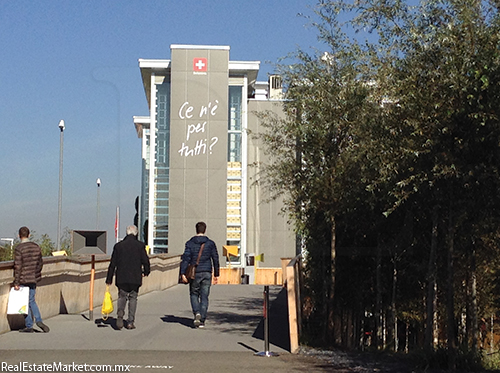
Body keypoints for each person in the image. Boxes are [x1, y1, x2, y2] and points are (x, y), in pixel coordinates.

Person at [106, 225, 150, 330]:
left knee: (122, 296)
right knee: (133, 298)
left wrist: (109, 279)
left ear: (126, 233)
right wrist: (146, 272)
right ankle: (130, 322)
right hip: (135, 277)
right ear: (136, 233)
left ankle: (120, 316)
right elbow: (146, 261)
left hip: (121, 277)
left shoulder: (119, 246)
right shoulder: (140, 245)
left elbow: (112, 264)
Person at [180, 222, 220, 328]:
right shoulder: (210, 243)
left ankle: (197, 312)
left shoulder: (190, 243)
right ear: (205, 230)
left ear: (196, 229)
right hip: (207, 272)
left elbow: (186, 258)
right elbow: (215, 258)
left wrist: (182, 273)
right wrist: (216, 273)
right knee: (204, 296)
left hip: (195, 273)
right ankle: (202, 320)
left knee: (194, 294)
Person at [13, 226, 50, 333]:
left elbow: (18, 266)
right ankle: (38, 320)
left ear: (19, 236)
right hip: (33, 278)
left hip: (23, 279)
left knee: (24, 302)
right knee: (32, 301)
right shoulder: (36, 247)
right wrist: (36, 274)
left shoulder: (19, 248)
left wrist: (16, 282)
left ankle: (29, 325)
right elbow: (40, 263)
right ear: (29, 235)